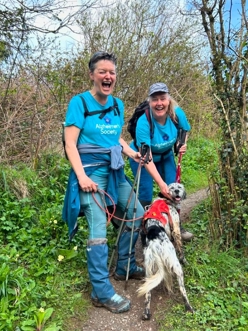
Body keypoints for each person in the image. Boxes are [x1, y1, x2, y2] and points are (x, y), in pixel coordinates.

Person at [62, 51, 145, 314]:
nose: (108, 76)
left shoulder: (118, 104)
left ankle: (124, 266)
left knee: (137, 213)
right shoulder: (80, 103)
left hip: (115, 171)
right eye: (102, 72)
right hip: (91, 174)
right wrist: (82, 177)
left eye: (111, 72)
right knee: (98, 228)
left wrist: (131, 152)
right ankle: (101, 291)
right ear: (92, 75)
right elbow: (70, 144)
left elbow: (115, 140)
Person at [129, 82, 193, 241]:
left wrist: (181, 144)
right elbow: (146, 157)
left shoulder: (177, 113)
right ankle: (144, 230)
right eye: (155, 99)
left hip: (165, 156)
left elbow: (184, 131)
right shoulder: (143, 123)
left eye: (162, 98)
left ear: (169, 100)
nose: (159, 103)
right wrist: (160, 184)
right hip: (143, 160)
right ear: (149, 102)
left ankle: (176, 226)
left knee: (174, 191)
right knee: (145, 193)